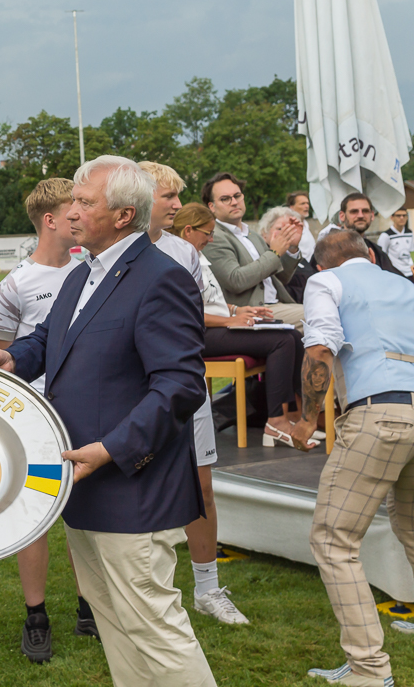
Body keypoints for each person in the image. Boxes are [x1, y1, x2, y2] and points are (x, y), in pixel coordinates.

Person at [0, 155, 216, 687]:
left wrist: (111, 449)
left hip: (131, 487)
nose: (71, 212)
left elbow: (180, 385)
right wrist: (12, 357)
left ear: (124, 215)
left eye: (84, 202)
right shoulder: (83, 271)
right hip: (82, 482)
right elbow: (52, 340)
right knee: (114, 621)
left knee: (153, 626)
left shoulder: (161, 278)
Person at [290, 230, 414, 687]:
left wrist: (307, 419)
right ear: (372, 255)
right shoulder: (405, 285)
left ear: (321, 266)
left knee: (333, 540)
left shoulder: (326, 281)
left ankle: (369, 669)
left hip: (379, 415)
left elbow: (320, 347)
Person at [0, 178, 96, 662]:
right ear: (50, 220)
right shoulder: (16, 283)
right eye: (75, 209)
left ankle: (90, 607)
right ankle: (36, 617)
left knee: (85, 515)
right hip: (33, 419)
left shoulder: (93, 270)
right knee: (34, 518)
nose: (82, 216)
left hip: (85, 410)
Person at [140, 163, 249, 625]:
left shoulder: (183, 251)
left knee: (202, 484)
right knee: (139, 486)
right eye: (168, 195)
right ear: (140, 196)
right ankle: (145, 592)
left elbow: (193, 319)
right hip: (136, 387)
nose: (176, 204)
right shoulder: (104, 251)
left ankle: (207, 588)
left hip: (185, 382)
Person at [171, 204, 311, 450]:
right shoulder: (175, 260)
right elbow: (184, 313)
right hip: (197, 335)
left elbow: (210, 301)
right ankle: (276, 422)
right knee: (281, 341)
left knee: (290, 335)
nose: (211, 240)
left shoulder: (196, 255)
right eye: (208, 234)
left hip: (216, 326)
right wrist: (228, 320)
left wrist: (237, 310)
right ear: (188, 230)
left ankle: (295, 417)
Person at [203, 171, 305, 329]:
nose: (234, 202)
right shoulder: (213, 237)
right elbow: (235, 280)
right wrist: (274, 253)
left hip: (277, 305)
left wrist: (292, 247)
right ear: (212, 207)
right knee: (321, 314)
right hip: (252, 312)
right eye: (225, 199)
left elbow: (280, 278)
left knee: (329, 310)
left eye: (237, 196)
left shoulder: (252, 235)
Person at [314, 193, 404, 279]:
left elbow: (394, 277)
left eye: (365, 211)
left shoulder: (376, 250)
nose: (360, 215)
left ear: (372, 215)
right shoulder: (327, 247)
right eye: (354, 211)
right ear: (342, 216)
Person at [261, 206, 318, 303]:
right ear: (264, 233)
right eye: (280, 228)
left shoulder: (298, 258)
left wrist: (292, 247)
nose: (285, 233)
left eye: (290, 229)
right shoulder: (259, 256)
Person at [377, 207, 413, 280]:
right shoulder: (386, 236)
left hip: (410, 273)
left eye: (404, 215)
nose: (402, 218)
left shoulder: (410, 233)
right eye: (398, 216)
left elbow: (412, 252)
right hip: (396, 274)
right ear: (392, 218)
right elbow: (381, 256)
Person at [288, 190, 317, 261]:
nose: (307, 206)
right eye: (302, 203)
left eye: (307, 203)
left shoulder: (306, 223)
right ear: (291, 207)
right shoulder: (289, 226)